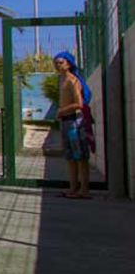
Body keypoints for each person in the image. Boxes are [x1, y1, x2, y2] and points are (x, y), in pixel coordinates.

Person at [53, 50, 93, 199]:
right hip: (65, 121)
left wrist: (62, 110)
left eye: (61, 62)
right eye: (56, 63)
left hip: (75, 122)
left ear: (69, 64)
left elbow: (79, 103)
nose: (58, 65)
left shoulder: (72, 80)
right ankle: (73, 188)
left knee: (81, 156)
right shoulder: (61, 79)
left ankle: (84, 190)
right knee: (70, 157)